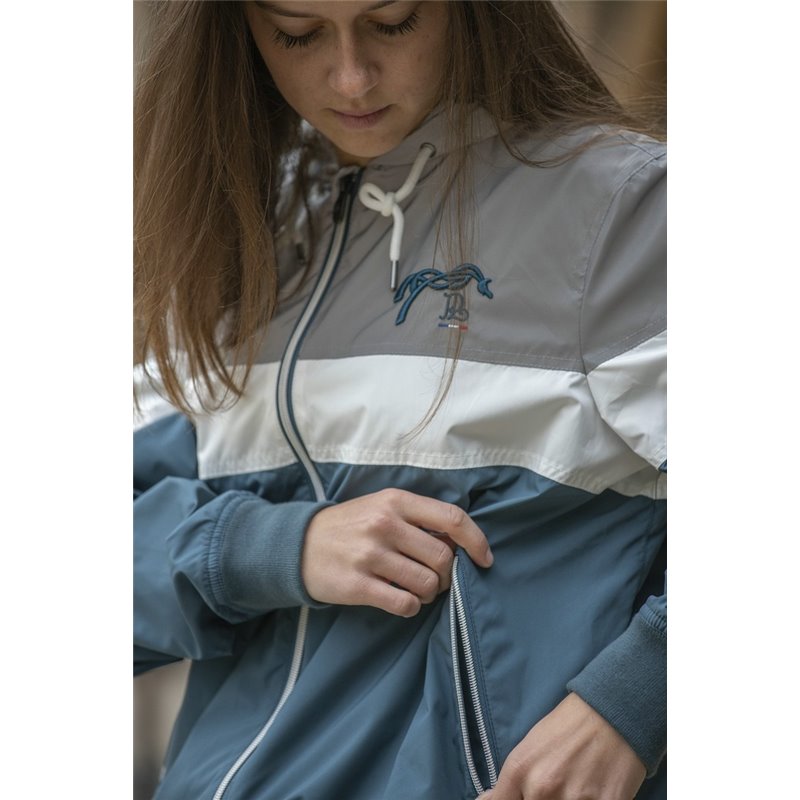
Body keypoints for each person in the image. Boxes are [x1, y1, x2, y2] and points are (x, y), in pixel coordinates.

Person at [133, 2, 666, 798]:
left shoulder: (623, 209)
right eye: (298, 33)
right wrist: (273, 549)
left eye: (393, 21)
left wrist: (630, 705)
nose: (351, 77)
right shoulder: (232, 234)